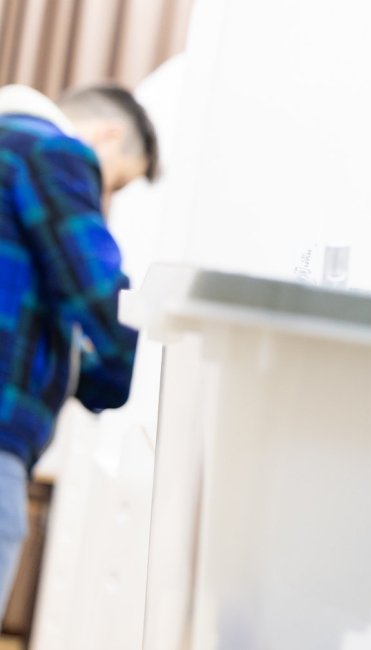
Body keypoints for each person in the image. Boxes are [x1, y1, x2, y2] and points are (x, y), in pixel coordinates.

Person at [0, 82, 158, 606]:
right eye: (113, 181)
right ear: (106, 136)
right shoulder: (51, 150)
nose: (103, 198)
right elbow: (100, 300)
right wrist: (126, 374)